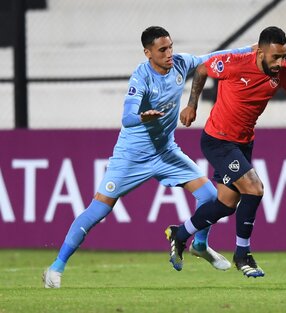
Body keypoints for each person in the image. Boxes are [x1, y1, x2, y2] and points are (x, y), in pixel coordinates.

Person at [43, 26, 255, 288]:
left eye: (171, 47)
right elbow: (127, 117)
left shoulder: (179, 64)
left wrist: (248, 50)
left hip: (166, 152)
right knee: (98, 209)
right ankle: (56, 267)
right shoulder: (141, 78)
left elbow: (212, 58)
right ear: (148, 53)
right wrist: (142, 116)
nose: (169, 54)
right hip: (132, 156)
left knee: (210, 196)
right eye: (162, 50)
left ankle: (200, 246)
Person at [165, 26, 286, 278]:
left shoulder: (284, 70)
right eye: (275, 57)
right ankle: (242, 254)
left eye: (284, 56)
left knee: (226, 204)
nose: (280, 62)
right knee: (254, 188)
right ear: (260, 52)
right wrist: (191, 106)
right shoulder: (235, 63)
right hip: (218, 140)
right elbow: (201, 69)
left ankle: (181, 233)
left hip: (243, 143)